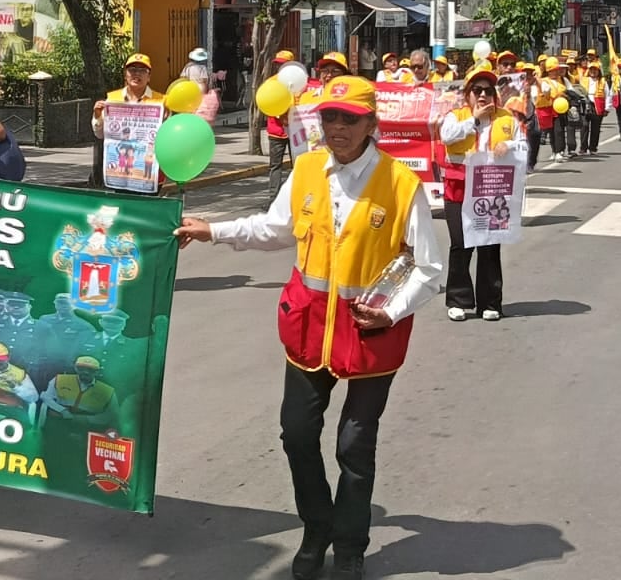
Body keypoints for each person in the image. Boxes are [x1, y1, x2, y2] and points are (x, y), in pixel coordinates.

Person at [174, 75, 444, 580]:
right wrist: (213, 230)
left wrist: (391, 311)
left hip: (370, 333)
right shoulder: (307, 170)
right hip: (309, 327)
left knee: (354, 447)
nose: (337, 127)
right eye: (329, 117)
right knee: (297, 434)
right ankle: (316, 525)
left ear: (371, 124)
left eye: (349, 118)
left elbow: (429, 268)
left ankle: (350, 546)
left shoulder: (401, 184)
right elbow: (273, 229)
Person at [438, 64, 521, 322]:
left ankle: (490, 302)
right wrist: (473, 120)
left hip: (491, 191)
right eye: (477, 90)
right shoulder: (456, 115)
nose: (483, 95)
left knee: (489, 247)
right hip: (459, 189)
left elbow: (522, 144)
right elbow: (447, 136)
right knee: (461, 245)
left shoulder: (507, 118)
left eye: (487, 90)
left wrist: (507, 145)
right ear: (468, 94)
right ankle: (458, 300)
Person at [92, 53, 163, 138]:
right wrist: (98, 116)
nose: (137, 73)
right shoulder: (112, 99)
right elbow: (100, 135)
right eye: (132, 70)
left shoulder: (160, 101)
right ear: (125, 75)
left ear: (149, 77)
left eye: (142, 70)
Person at [266, 49, 298, 203]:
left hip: (296, 130)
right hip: (276, 130)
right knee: (275, 166)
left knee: (298, 166)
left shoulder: (300, 82)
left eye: (283, 65)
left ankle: (296, 198)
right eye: (278, 65)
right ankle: (273, 199)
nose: (280, 68)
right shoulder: (271, 82)